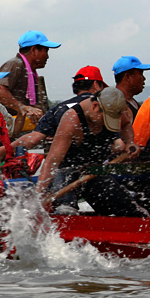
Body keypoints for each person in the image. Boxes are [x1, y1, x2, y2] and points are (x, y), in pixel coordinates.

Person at [36, 87, 146, 216]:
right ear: (95, 106)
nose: (105, 124)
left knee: (132, 213)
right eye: (104, 118)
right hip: (66, 173)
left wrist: (129, 142)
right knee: (65, 212)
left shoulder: (116, 108)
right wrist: (39, 196)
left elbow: (126, 124)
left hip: (94, 172)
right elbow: (52, 160)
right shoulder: (71, 119)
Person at [0, 65, 108, 161]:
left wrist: (2, 151)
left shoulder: (59, 108)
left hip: (63, 169)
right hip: (96, 170)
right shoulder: (103, 108)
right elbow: (119, 144)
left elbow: (32, 139)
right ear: (97, 85)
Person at [0, 30, 61, 135]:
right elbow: (0, 91)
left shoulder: (31, 72)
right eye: (46, 51)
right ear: (34, 50)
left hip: (16, 126)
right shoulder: (15, 64)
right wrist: (22, 107)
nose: (47, 56)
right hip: (3, 127)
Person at [112, 55, 149, 124]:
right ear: (128, 77)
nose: (144, 78)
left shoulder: (131, 102)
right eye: (141, 74)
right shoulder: (118, 106)